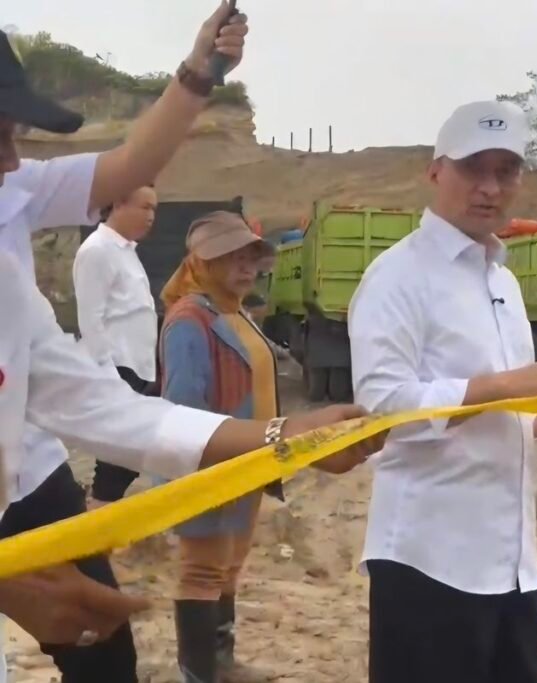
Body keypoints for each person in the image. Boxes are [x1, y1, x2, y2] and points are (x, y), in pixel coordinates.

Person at [0, 6, 380, 677]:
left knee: (103, 652)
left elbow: (100, 407)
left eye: (12, 138)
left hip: (29, 466)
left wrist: (281, 439)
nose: (12, 164)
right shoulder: (147, 291)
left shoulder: (8, 283)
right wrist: (9, 585)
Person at [349, 100, 537, 683]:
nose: (490, 188)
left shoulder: (503, 281)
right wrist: (507, 385)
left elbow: (500, 408)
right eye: (473, 169)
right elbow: (383, 409)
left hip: (511, 565)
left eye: (506, 171)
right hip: (429, 562)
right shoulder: (397, 277)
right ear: (436, 171)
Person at [158, 212, 318, 683]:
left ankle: (221, 662)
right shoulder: (190, 321)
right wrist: (210, 466)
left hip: (251, 463)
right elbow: (184, 408)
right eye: (230, 257)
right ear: (201, 263)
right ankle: (199, 673)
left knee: (227, 568)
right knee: (202, 570)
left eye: (250, 257)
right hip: (212, 466)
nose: (246, 267)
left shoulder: (234, 312)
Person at [74, 185, 160, 507]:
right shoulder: (97, 250)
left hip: (138, 365)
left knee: (128, 456)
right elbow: (90, 319)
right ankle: (98, 516)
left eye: (154, 209)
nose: (151, 216)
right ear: (119, 203)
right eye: (145, 207)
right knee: (117, 457)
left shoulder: (126, 251)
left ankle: (100, 510)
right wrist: (108, 376)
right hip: (118, 368)